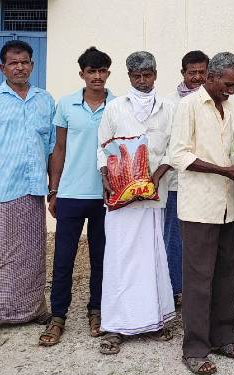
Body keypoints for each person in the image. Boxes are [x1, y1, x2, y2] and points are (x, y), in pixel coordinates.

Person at [170, 52, 234, 375]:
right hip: (198, 209)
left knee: (225, 277)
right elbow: (178, 154)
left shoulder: (229, 108)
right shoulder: (188, 106)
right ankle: (194, 349)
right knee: (198, 282)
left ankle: (224, 339)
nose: (231, 91)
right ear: (211, 78)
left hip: (227, 208)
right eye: (228, 85)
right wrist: (224, 171)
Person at [96, 51, 175, 355]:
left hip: (153, 196)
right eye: (136, 76)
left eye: (148, 75)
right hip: (120, 198)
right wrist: (106, 176)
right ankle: (116, 326)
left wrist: (155, 176)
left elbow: (174, 148)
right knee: (118, 257)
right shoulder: (114, 108)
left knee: (151, 256)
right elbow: (101, 148)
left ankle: (154, 321)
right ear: (128, 76)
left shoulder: (169, 108)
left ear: (156, 73)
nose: (142, 81)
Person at [39, 47, 115, 346]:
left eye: (102, 71)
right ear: (82, 73)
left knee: (101, 258)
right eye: (91, 71)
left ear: (108, 73)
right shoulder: (66, 103)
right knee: (63, 260)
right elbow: (59, 149)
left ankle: (96, 311)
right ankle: (58, 318)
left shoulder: (117, 104)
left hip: (104, 195)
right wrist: (54, 189)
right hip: (70, 193)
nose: (97, 76)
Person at [0, 40, 55, 341]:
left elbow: (52, 147)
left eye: (25, 62)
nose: (20, 67)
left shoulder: (44, 100)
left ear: (32, 65)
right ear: (3, 68)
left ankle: (33, 308)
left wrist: (54, 188)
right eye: (13, 62)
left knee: (31, 250)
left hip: (33, 189)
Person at [164, 50, 209, 306]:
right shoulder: (170, 103)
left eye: (202, 72)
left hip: (204, 183)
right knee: (175, 238)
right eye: (192, 72)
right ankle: (174, 289)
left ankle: (197, 290)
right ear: (183, 74)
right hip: (176, 182)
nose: (197, 77)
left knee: (200, 238)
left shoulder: (213, 100)